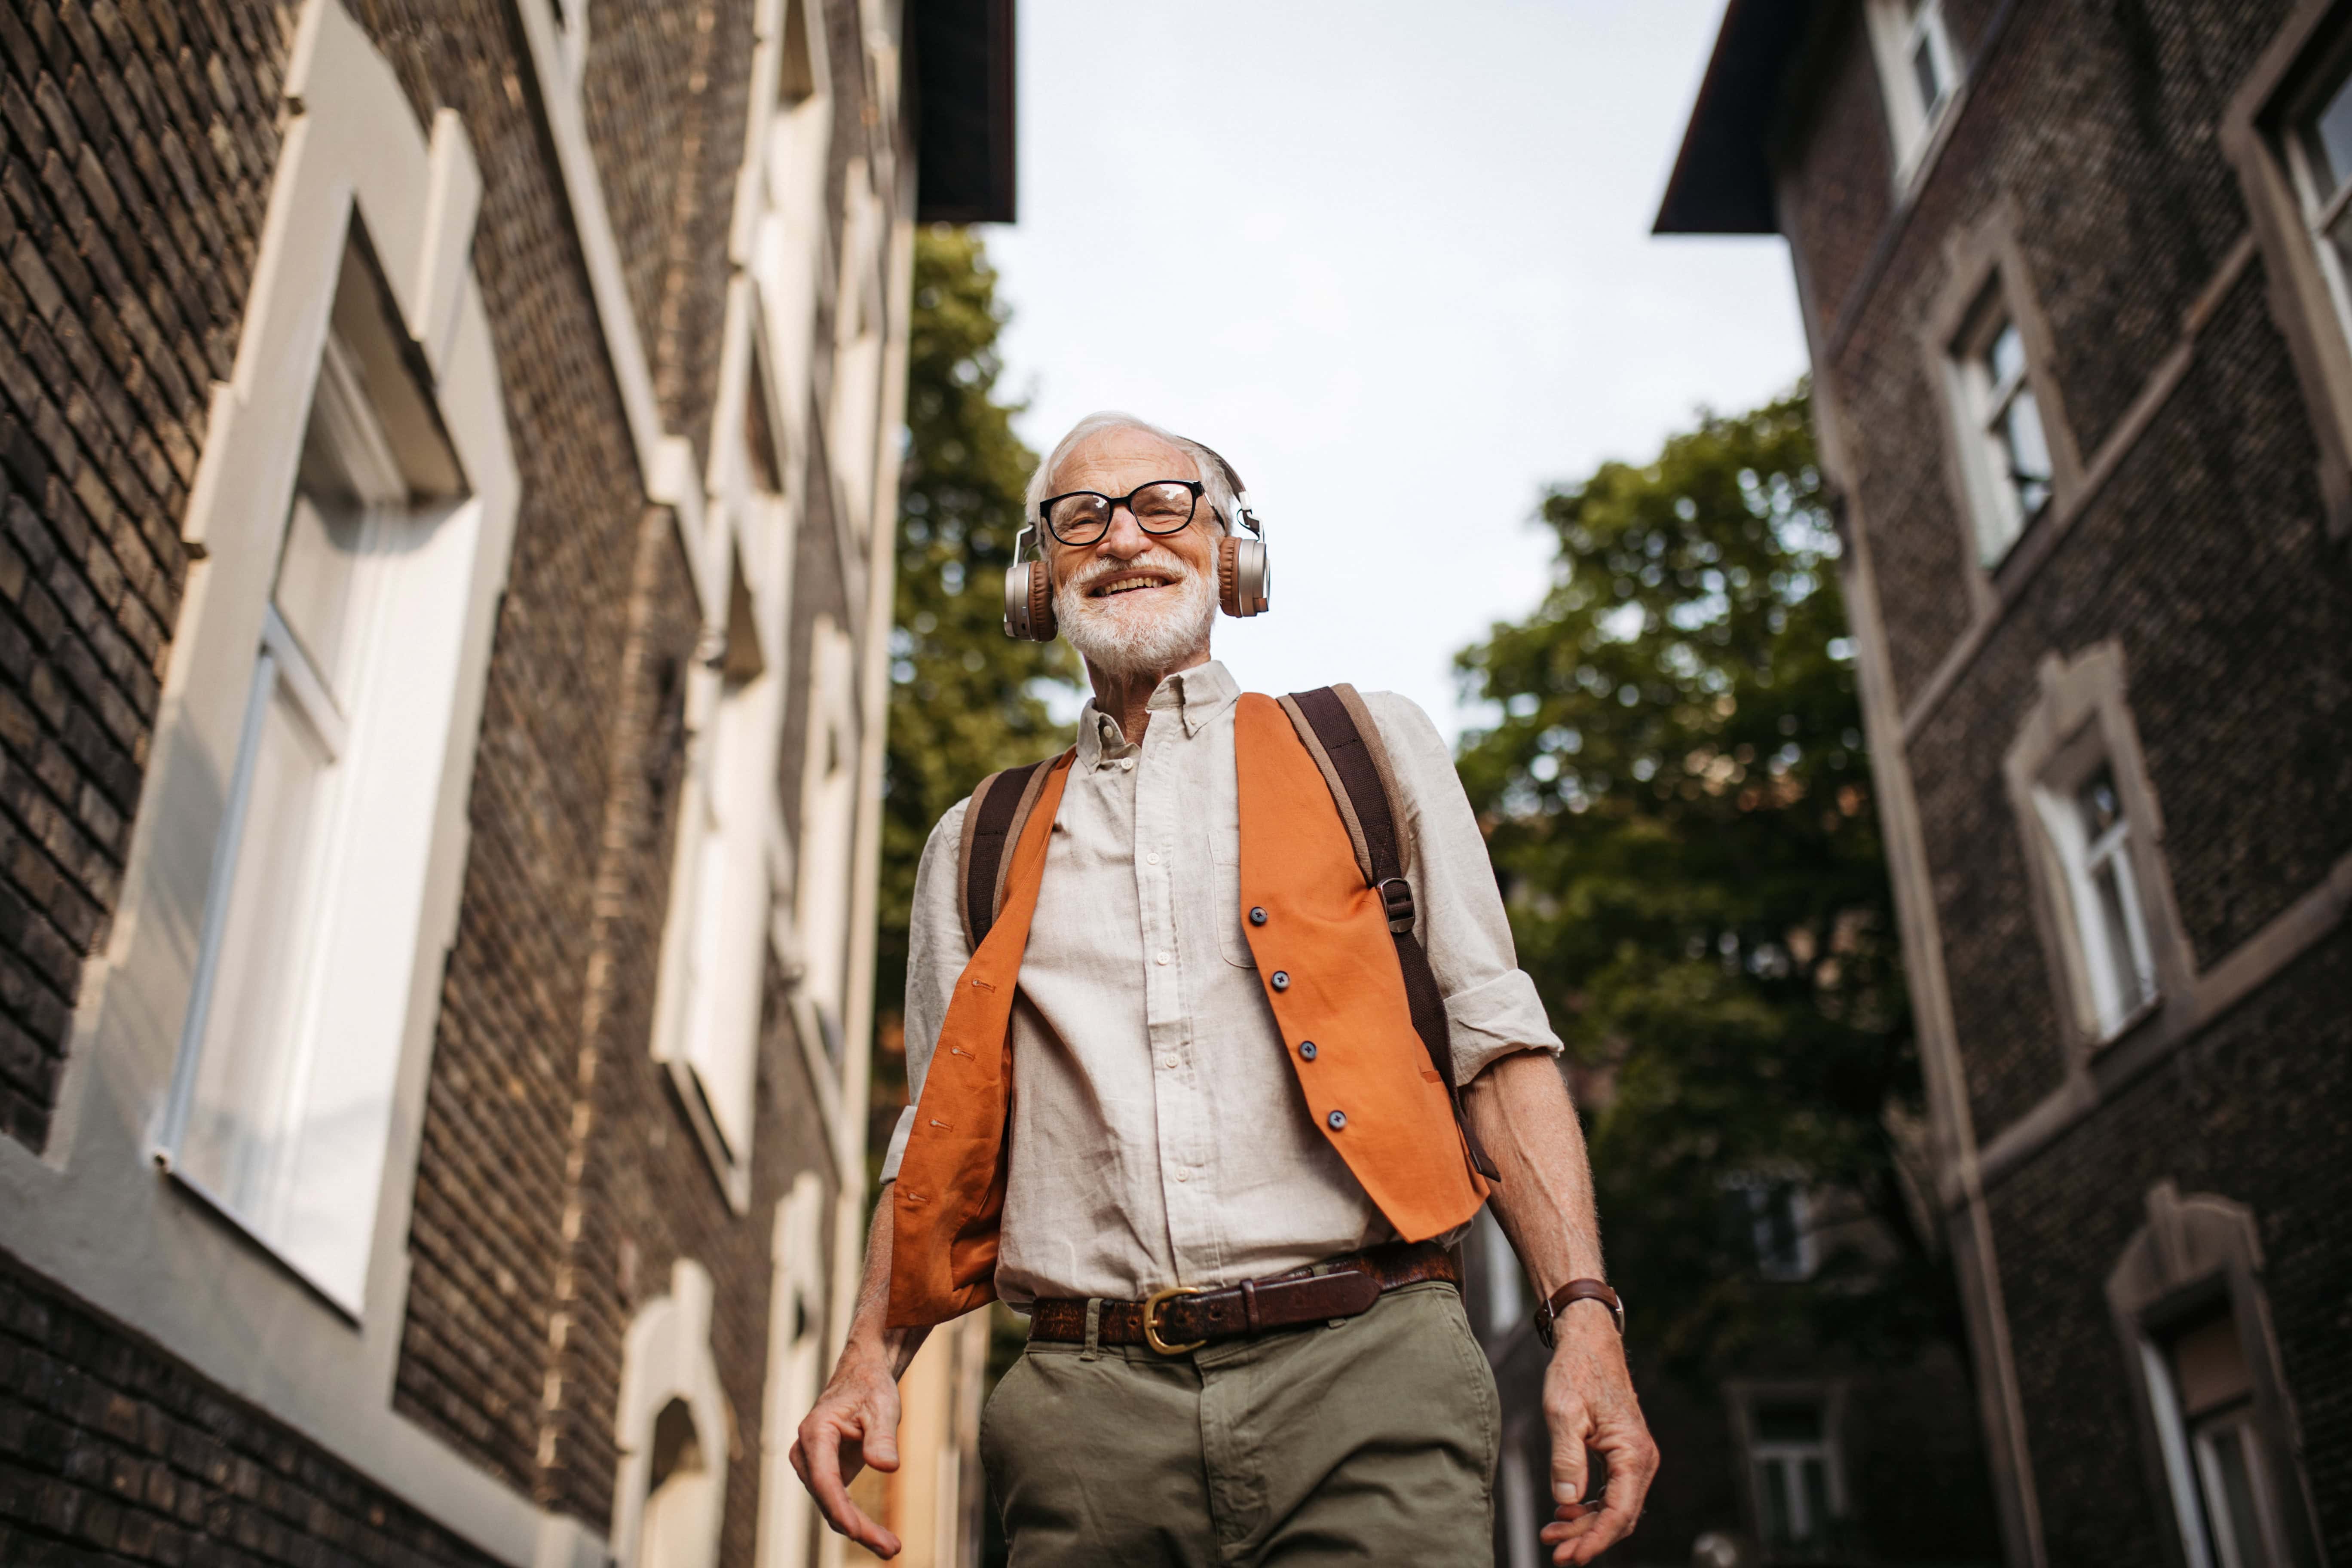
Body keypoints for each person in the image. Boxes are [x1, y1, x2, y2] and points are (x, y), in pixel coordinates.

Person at [791, 413, 1657, 1566]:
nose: (1123, 539)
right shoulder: (975, 842)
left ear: (1229, 551)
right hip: (1084, 1417)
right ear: (1038, 578)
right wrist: (868, 1359)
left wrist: (1586, 1322)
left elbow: (1496, 1051)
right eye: (1080, 517)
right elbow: (937, 1140)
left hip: (1369, 1375)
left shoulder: (1371, 750)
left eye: (1163, 505)